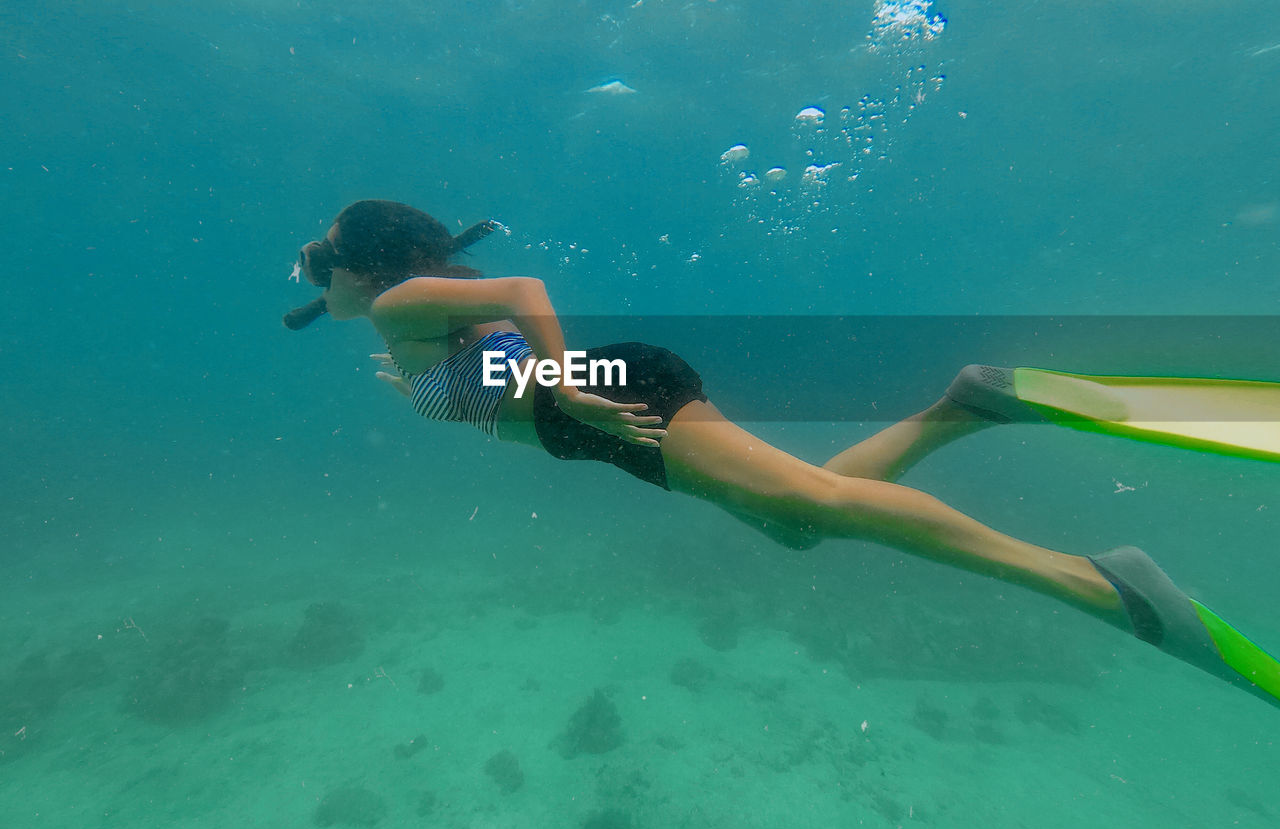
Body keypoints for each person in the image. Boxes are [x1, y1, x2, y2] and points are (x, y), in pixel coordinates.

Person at [285, 199, 1279, 709]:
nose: (314, 274)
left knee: (815, 503)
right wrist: (452, 393)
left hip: (613, 408)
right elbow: (493, 364)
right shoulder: (404, 331)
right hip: (607, 422)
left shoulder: (397, 305)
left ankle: (1100, 587)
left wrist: (565, 385)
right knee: (797, 525)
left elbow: (526, 295)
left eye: (322, 258)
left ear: (365, 265)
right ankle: (969, 405)